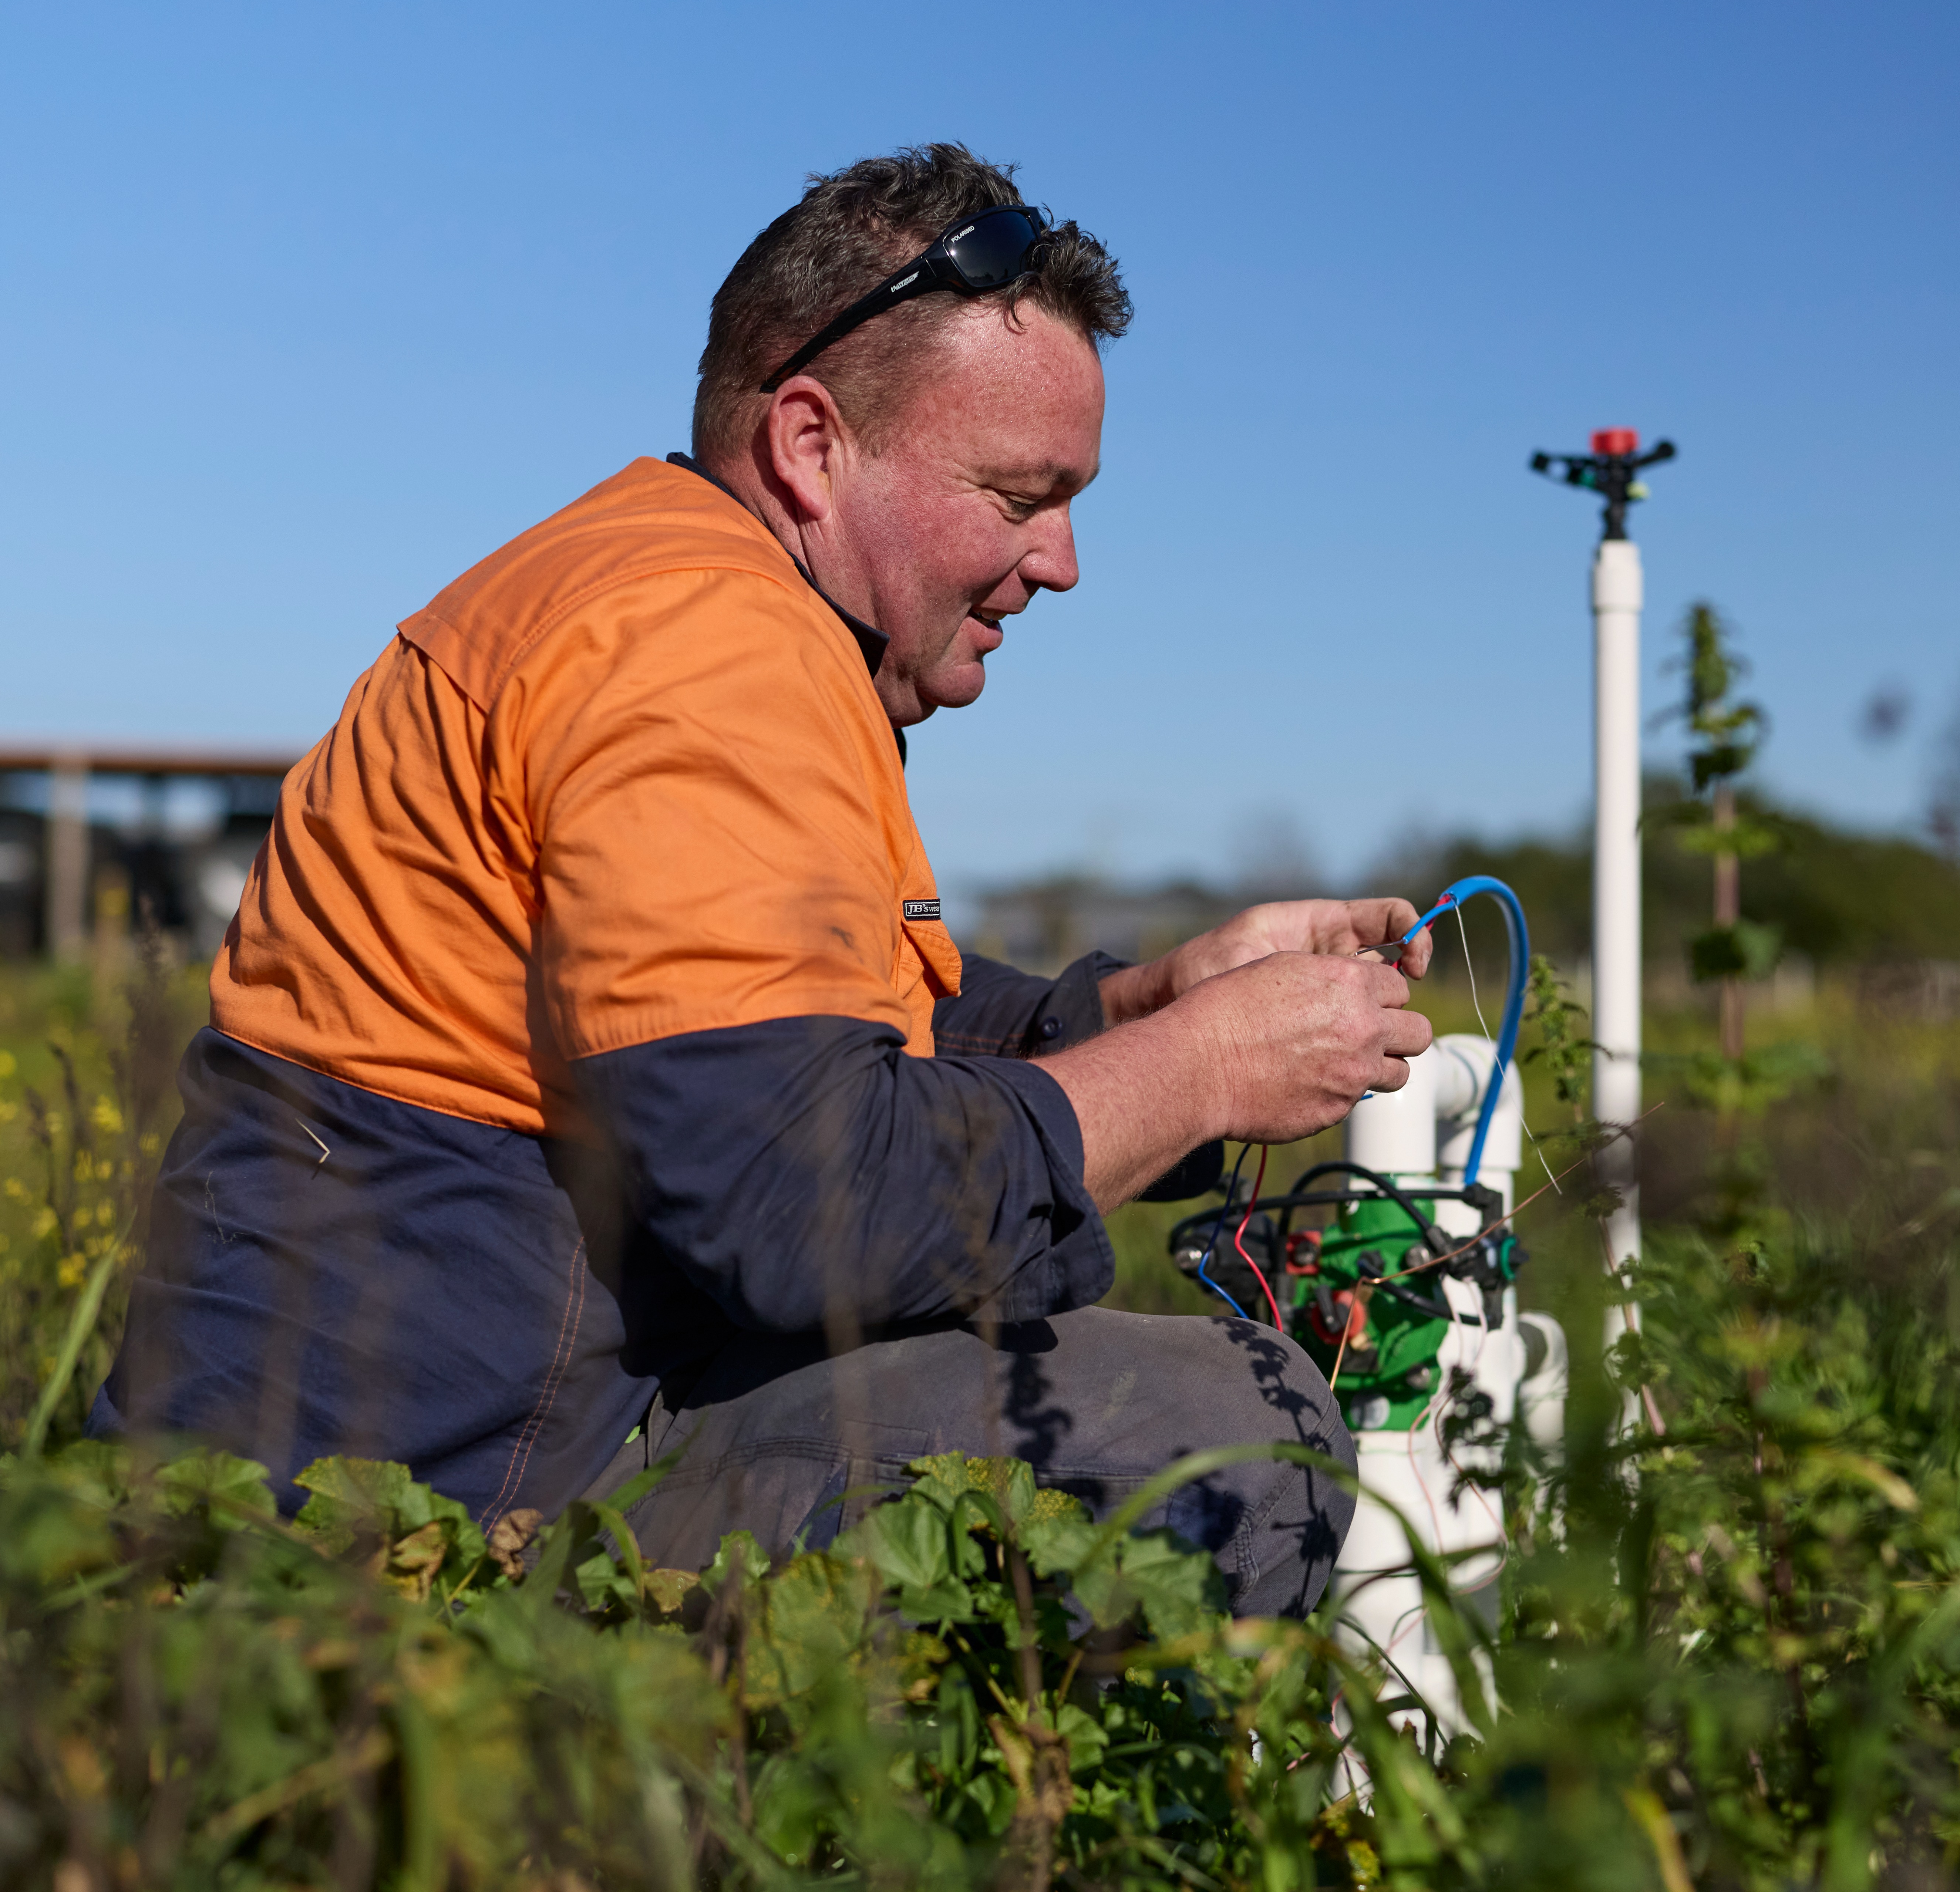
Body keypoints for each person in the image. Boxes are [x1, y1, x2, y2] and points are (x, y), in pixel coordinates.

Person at [89, 143, 1434, 1619]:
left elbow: (798, 1022)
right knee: (1229, 1430)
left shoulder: (657, 585)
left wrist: (1144, 1000)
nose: (1058, 562)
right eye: (1015, 493)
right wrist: (1199, 1070)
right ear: (809, 445)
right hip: (424, 1533)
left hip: (425, 1453)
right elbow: (808, 1203)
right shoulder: (699, 647)